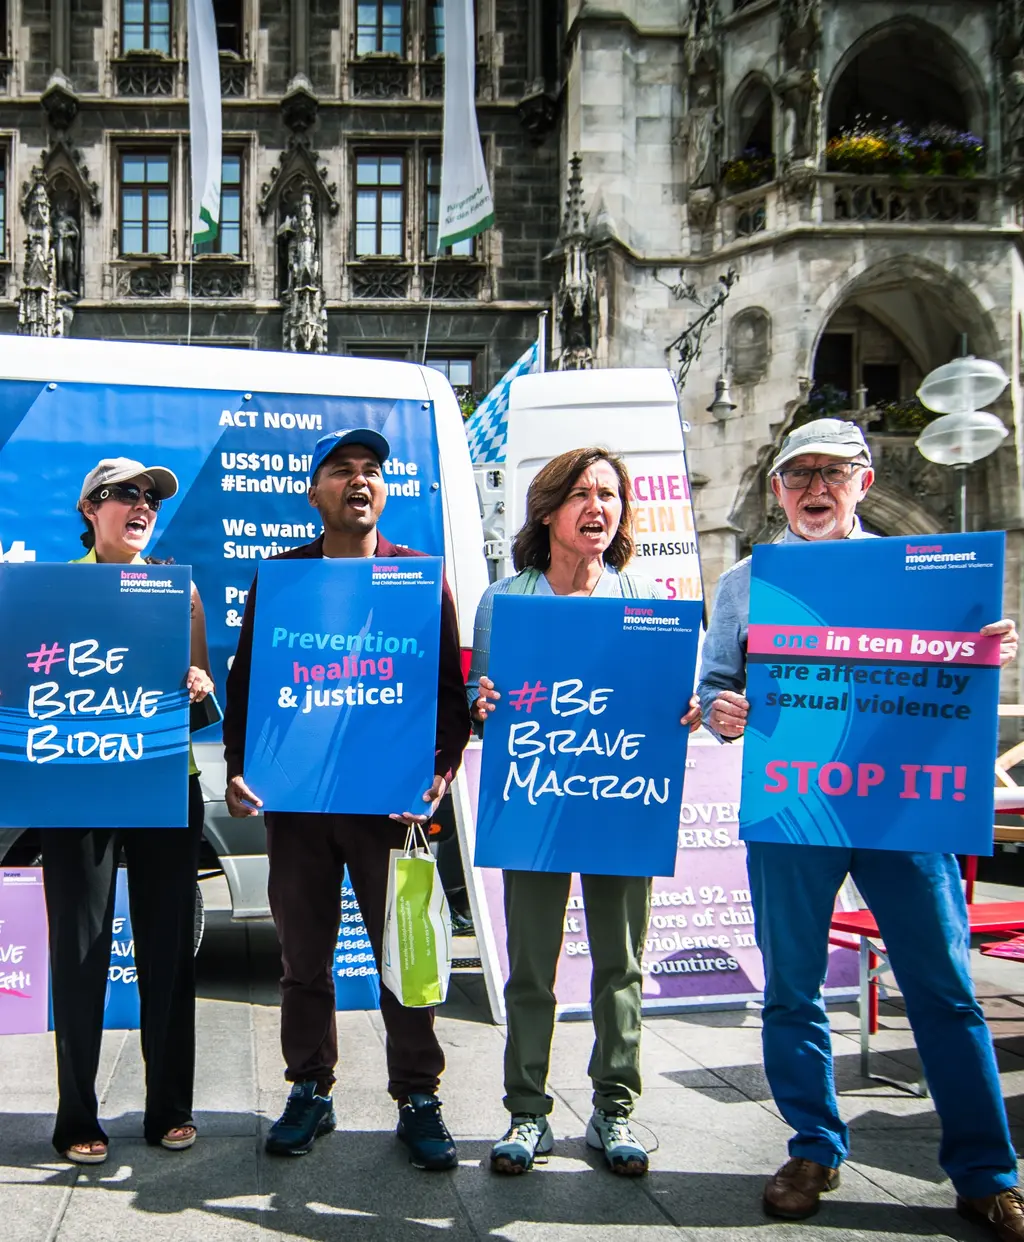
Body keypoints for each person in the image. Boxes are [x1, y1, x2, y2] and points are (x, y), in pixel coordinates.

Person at [697, 418, 1023, 1237]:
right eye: (797, 474)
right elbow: (713, 691)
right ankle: (814, 1145)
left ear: (864, 483)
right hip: (791, 803)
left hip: (902, 806)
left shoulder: (928, 572)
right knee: (792, 988)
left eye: (831, 473)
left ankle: (987, 1170)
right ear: (776, 491)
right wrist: (722, 711)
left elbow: (958, 673)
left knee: (944, 991)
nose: (814, 488)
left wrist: (989, 649)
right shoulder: (747, 579)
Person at [223, 428, 471, 1169]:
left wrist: (439, 771)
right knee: (303, 959)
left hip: (389, 807)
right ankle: (310, 1090)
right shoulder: (282, 579)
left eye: (371, 472)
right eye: (342, 471)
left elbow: (448, 699)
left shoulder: (419, 578)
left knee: (407, 955)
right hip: (299, 809)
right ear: (314, 494)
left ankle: (418, 1097)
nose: (360, 481)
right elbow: (249, 690)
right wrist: (240, 766)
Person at [469, 446, 701, 1177]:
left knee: (619, 965)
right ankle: (526, 1112)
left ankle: (615, 1107)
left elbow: (667, 704)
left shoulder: (647, 603)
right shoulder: (506, 602)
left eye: (610, 493)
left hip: (621, 804)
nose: (598, 506)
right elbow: (480, 705)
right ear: (546, 510)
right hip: (537, 805)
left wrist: (685, 710)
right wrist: (481, 705)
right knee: (530, 969)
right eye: (581, 493)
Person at [43, 457, 215, 1164]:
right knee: (79, 953)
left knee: (169, 953)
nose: (142, 505)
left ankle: (169, 1107)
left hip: (164, 782)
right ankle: (76, 1116)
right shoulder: (48, 590)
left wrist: (200, 685)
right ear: (91, 508)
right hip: (77, 787)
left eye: (150, 498)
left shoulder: (181, 589)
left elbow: (199, 707)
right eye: (125, 495)